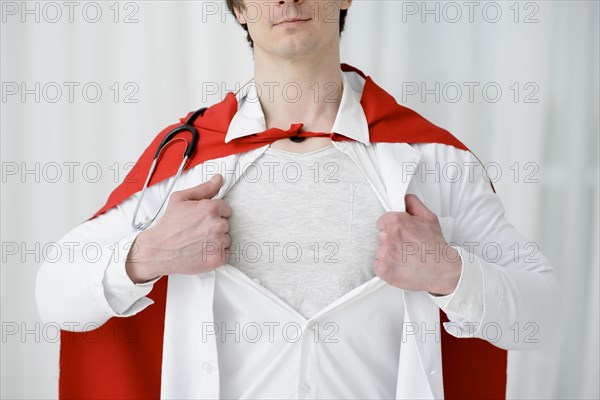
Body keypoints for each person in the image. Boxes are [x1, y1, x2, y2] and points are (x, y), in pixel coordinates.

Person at [36, 0, 560, 398]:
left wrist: (448, 271)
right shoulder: (183, 161)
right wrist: (145, 255)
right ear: (240, 8)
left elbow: (541, 318)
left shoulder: (434, 161)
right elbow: (55, 296)